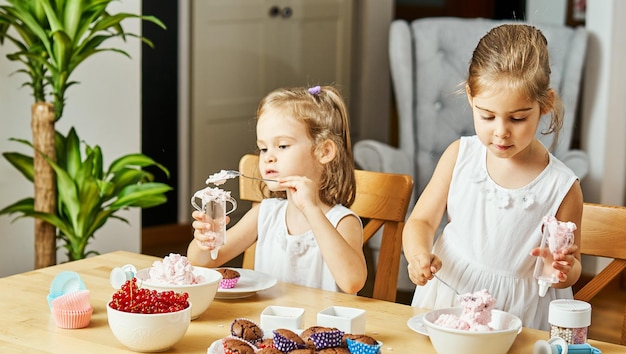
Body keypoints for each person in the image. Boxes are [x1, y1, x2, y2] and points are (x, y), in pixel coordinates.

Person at [402, 24, 583, 330]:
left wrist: (562, 269)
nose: (501, 131)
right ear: (471, 97)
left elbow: (571, 269)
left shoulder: (562, 187)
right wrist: (418, 254)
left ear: (546, 104)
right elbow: (421, 222)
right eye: (487, 116)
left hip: (518, 316)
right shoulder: (460, 156)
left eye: (517, 118)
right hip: (448, 296)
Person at [187, 85, 367, 294]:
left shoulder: (342, 221)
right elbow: (203, 263)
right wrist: (205, 242)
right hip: (268, 323)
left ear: (324, 151)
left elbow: (352, 282)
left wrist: (311, 210)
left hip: (319, 325)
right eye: (264, 148)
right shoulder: (265, 213)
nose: (268, 157)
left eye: (282, 146)